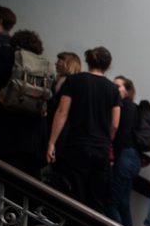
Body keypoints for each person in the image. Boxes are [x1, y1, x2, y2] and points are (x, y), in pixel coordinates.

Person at [46, 46, 120, 213]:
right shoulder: (113, 89)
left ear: (88, 61)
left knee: (75, 195)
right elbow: (115, 124)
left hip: (77, 144)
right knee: (96, 199)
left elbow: (62, 112)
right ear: (108, 65)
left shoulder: (74, 81)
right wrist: (106, 140)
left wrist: (52, 142)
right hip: (101, 149)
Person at [0, 30, 50, 179]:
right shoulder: (43, 63)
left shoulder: (7, 53)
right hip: (33, 131)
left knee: (2, 173)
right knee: (26, 177)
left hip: (5, 123)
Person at [107, 75, 141, 226]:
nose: (113, 88)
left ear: (127, 91)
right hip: (132, 158)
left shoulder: (125, 107)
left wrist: (112, 158)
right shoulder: (133, 107)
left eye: (117, 86)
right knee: (123, 203)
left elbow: (121, 135)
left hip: (124, 157)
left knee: (110, 203)